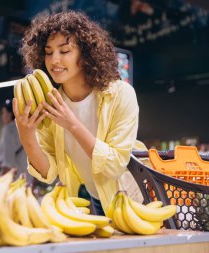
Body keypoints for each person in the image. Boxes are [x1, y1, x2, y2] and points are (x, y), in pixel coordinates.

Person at [13, 10, 146, 215]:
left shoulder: (120, 94)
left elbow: (114, 166)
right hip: (94, 197)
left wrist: (72, 124)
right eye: (48, 52)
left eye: (64, 51)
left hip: (132, 198)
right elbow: (49, 172)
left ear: (85, 54)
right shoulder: (50, 101)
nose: (54, 60)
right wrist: (27, 137)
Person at [0, 99, 31, 180]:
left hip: (14, 175)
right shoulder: (24, 128)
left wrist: (1, 179)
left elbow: (8, 160)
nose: (2, 116)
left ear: (10, 114)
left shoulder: (8, 129)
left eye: (4, 113)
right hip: (27, 172)